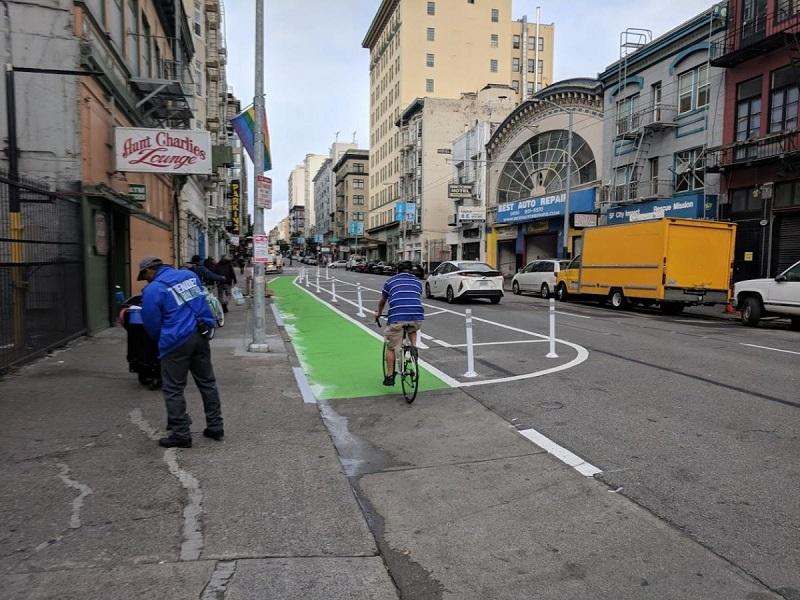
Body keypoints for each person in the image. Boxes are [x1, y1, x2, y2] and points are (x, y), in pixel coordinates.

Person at [138, 256, 225, 448]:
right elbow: (202, 301)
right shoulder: (189, 275)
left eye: (145, 275)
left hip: (175, 341)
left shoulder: (153, 290)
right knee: (207, 383)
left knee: (173, 388)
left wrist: (162, 339)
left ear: (150, 270)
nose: (146, 279)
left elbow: (151, 322)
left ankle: (181, 434)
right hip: (200, 334)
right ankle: (216, 426)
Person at [375, 260, 425, 386]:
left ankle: (390, 375)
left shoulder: (390, 281)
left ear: (397, 270)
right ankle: (413, 347)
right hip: (416, 316)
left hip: (397, 318)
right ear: (411, 270)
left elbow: (383, 301)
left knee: (391, 348)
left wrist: (379, 313)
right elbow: (415, 297)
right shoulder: (417, 282)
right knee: (412, 327)